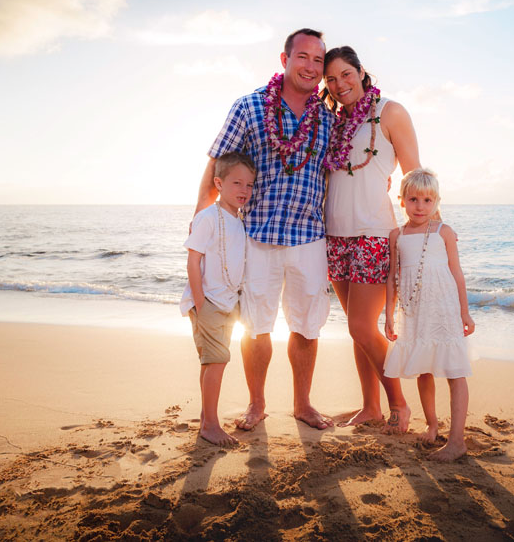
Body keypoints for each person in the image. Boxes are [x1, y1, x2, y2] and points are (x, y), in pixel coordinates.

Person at [193, 28, 334, 431]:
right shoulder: (250, 107)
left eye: (318, 60)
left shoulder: (326, 117)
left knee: (307, 326)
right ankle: (256, 404)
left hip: (309, 235)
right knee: (256, 326)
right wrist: (200, 218)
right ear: (285, 59)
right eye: (302, 57)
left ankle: (303, 404)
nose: (310, 66)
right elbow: (218, 163)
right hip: (256, 234)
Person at [320, 46, 420, 433]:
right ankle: (370, 407)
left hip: (374, 234)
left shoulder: (390, 112)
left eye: (346, 74)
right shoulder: (334, 123)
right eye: (330, 79)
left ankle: (399, 405)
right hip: (334, 235)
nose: (339, 84)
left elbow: (415, 174)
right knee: (357, 330)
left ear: (362, 72)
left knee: (362, 327)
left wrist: (426, 230)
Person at [383, 168, 475, 461]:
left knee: (454, 370)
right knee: (424, 368)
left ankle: (457, 440)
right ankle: (432, 425)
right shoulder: (396, 236)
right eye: (413, 199)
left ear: (436, 202)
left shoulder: (443, 232)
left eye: (427, 200)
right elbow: (392, 277)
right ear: (402, 201)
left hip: (444, 309)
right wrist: (389, 314)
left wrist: (465, 312)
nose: (420, 206)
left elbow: (457, 274)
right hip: (413, 310)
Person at [181, 152, 256, 446]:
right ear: (218, 183)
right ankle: (210, 424)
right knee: (218, 361)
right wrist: (201, 303)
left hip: (228, 303)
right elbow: (193, 260)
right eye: (237, 183)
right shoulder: (208, 218)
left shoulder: (239, 221)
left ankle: (206, 419)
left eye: (250, 185)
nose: (244, 190)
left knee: (211, 362)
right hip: (209, 302)